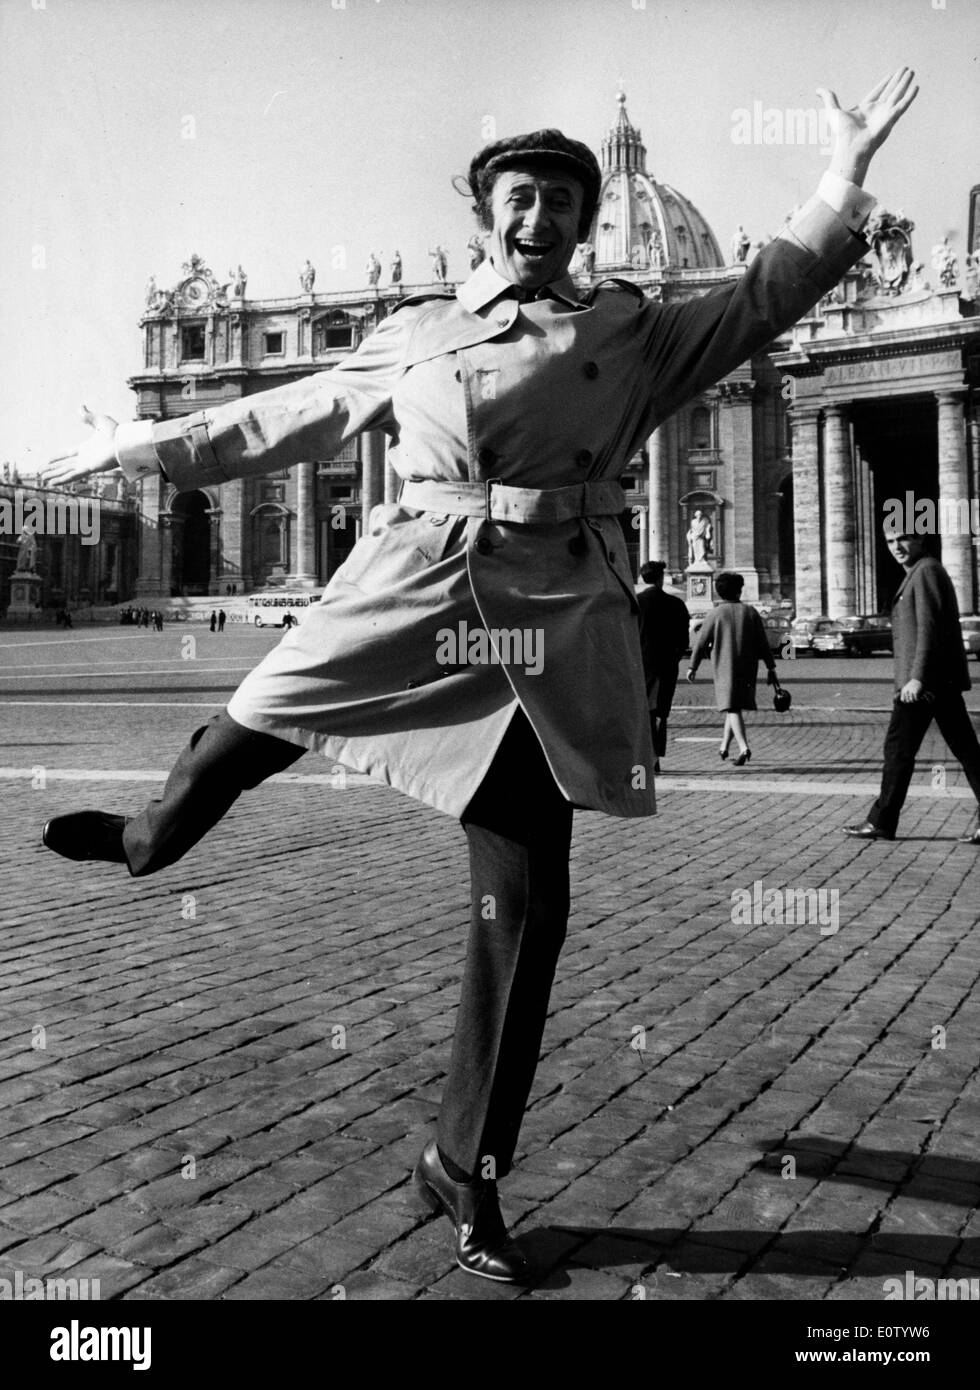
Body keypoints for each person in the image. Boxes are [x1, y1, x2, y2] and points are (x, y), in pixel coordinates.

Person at [39, 70, 916, 1284]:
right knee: (234, 743)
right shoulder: (415, 329)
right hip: (405, 593)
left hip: (542, 633)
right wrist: (141, 442)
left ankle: (468, 1166)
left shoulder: (630, 328)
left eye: (561, 198)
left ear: (584, 216)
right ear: (485, 214)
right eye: (517, 195)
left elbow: (763, 297)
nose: (537, 215)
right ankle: (145, 839)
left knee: (523, 914)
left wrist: (840, 176)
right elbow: (284, 417)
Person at [844, 525, 980, 844]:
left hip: (923, 685)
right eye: (890, 541)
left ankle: (882, 820)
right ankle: (882, 820)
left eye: (903, 538)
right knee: (967, 752)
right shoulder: (919, 571)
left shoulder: (926, 571)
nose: (896, 546)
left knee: (898, 751)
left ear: (919, 539)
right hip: (937, 682)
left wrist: (917, 677)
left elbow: (929, 629)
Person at [687, 571, 776, 765]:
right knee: (733, 706)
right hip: (747, 666)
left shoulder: (715, 613)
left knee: (731, 706)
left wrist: (692, 666)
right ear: (739, 590)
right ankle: (724, 747)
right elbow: (763, 643)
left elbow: (701, 642)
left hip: (724, 666)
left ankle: (744, 748)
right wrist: (771, 668)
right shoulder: (751, 612)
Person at [636, 561, 690, 774]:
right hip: (667, 664)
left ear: (642, 578)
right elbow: (684, 640)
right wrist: (674, 658)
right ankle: (655, 755)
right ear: (661, 578)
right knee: (662, 711)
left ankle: (650, 756)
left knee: (646, 711)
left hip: (642, 664)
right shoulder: (676, 604)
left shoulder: (635, 603)